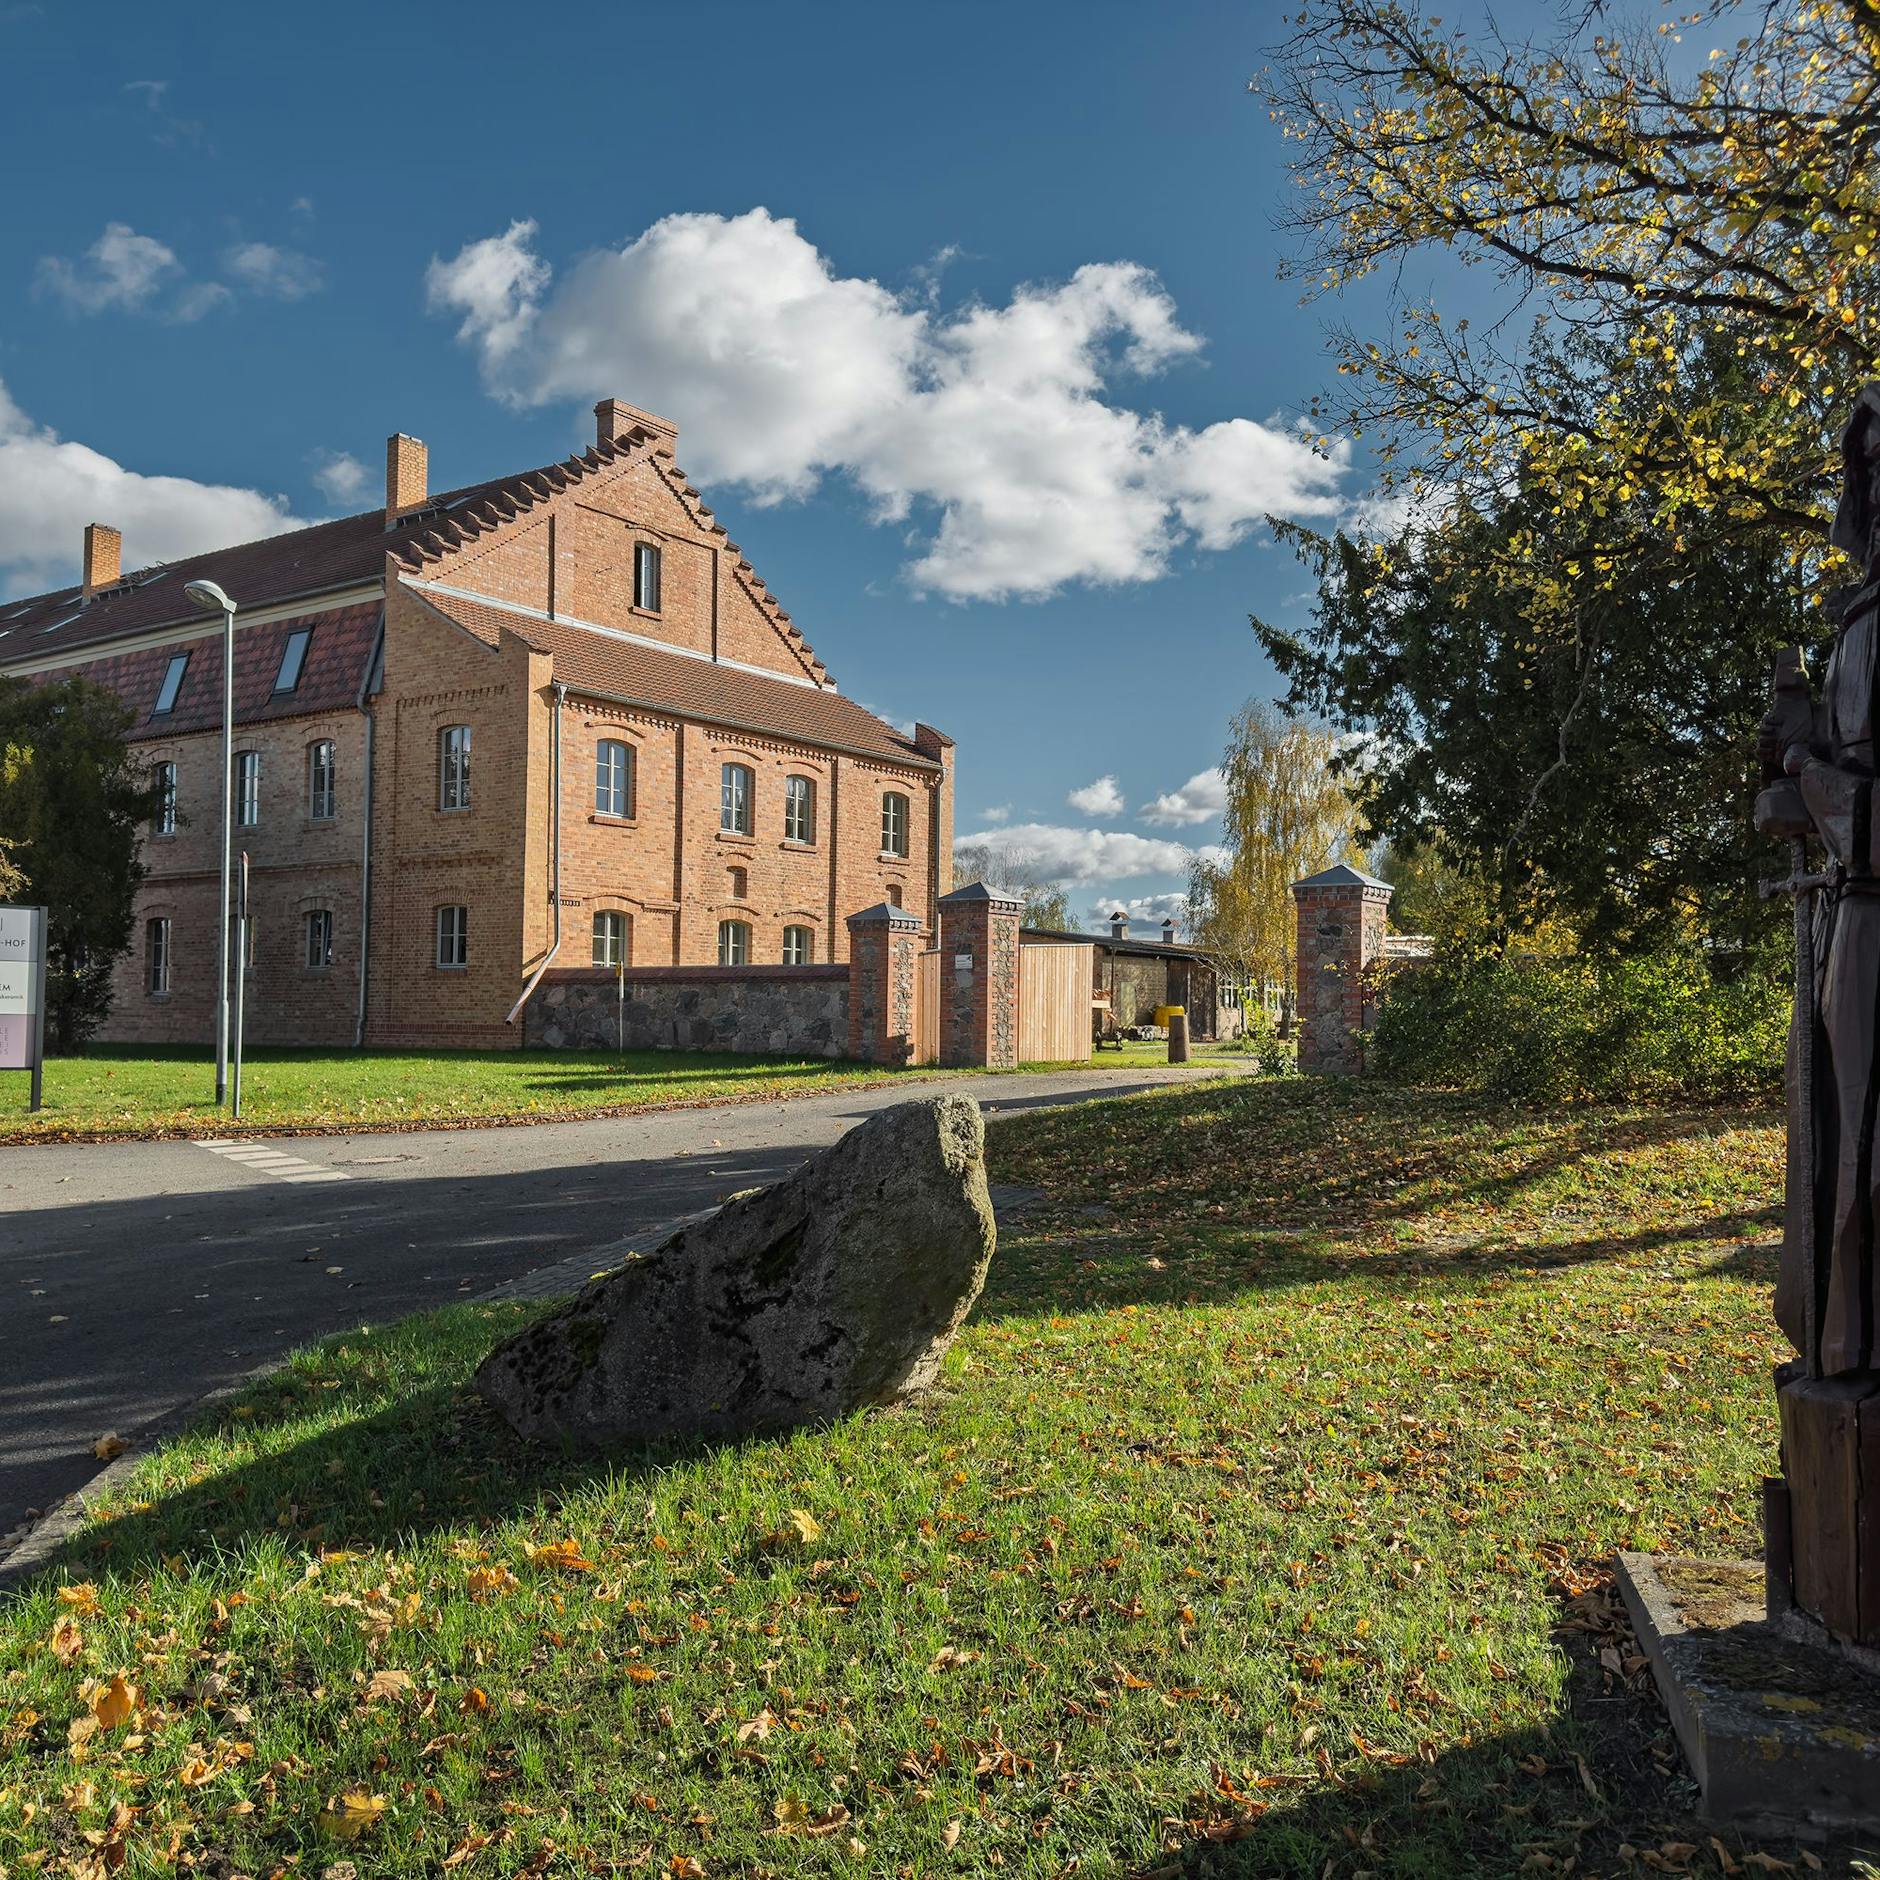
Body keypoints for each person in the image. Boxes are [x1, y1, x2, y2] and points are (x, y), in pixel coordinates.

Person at [1756, 383, 1880, 1378]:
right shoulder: (1852, 624)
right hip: (1848, 926)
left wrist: (1808, 773)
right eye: (1863, 466)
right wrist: (1788, 757)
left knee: (1863, 1161)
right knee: (1835, 1145)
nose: (1873, 488)